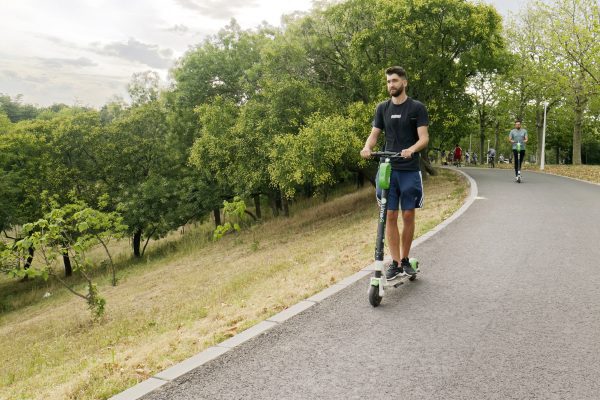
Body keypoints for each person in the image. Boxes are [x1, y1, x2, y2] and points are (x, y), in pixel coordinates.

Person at [360, 66, 429, 279]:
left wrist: (412, 150)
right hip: (388, 169)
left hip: (409, 169)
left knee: (408, 214)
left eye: (395, 81)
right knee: (389, 215)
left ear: (404, 83)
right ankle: (395, 263)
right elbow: (374, 135)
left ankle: (406, 259)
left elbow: (424, 138)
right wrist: (367, 148)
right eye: (389, 81)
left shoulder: (417, 108)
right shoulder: (382, 108)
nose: (391, 85)